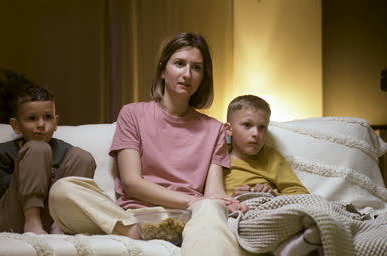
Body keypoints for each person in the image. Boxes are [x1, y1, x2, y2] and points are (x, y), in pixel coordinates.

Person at [48, 32, 249, 255]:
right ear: (163, 70)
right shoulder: (132, 114)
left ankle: (183, 237)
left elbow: (213, 194)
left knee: (212, 207)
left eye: (197, 68)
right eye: (179, 64)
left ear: (203, 77)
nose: (187, 74)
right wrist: (192, 201)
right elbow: (132, 183)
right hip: (133, 218)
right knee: (63, 189)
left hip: (187, 220)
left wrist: (227, 202)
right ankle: (137, 233)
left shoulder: (214, 129)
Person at [0, 85, 96, 234]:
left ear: (55, 122)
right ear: (16, 125)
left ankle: (61, 226)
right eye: (31, 118)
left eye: (48, 117)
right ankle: (32, 222)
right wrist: (22, 174)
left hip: (55, 217)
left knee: (82, 156)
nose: (41, 124)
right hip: (15, 218)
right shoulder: (4, 151)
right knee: (37, 148)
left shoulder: (66, 152)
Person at [223, 95, 309, 197]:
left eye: (262, 127)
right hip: (233, 208)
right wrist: (230, 199)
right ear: (229, 129)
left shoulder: (272, 158)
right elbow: (208, 195)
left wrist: (273, 195)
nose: (256, 133)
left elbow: (301, 193)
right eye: (247, 125)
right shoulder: (218, 157)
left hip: (269, 206)